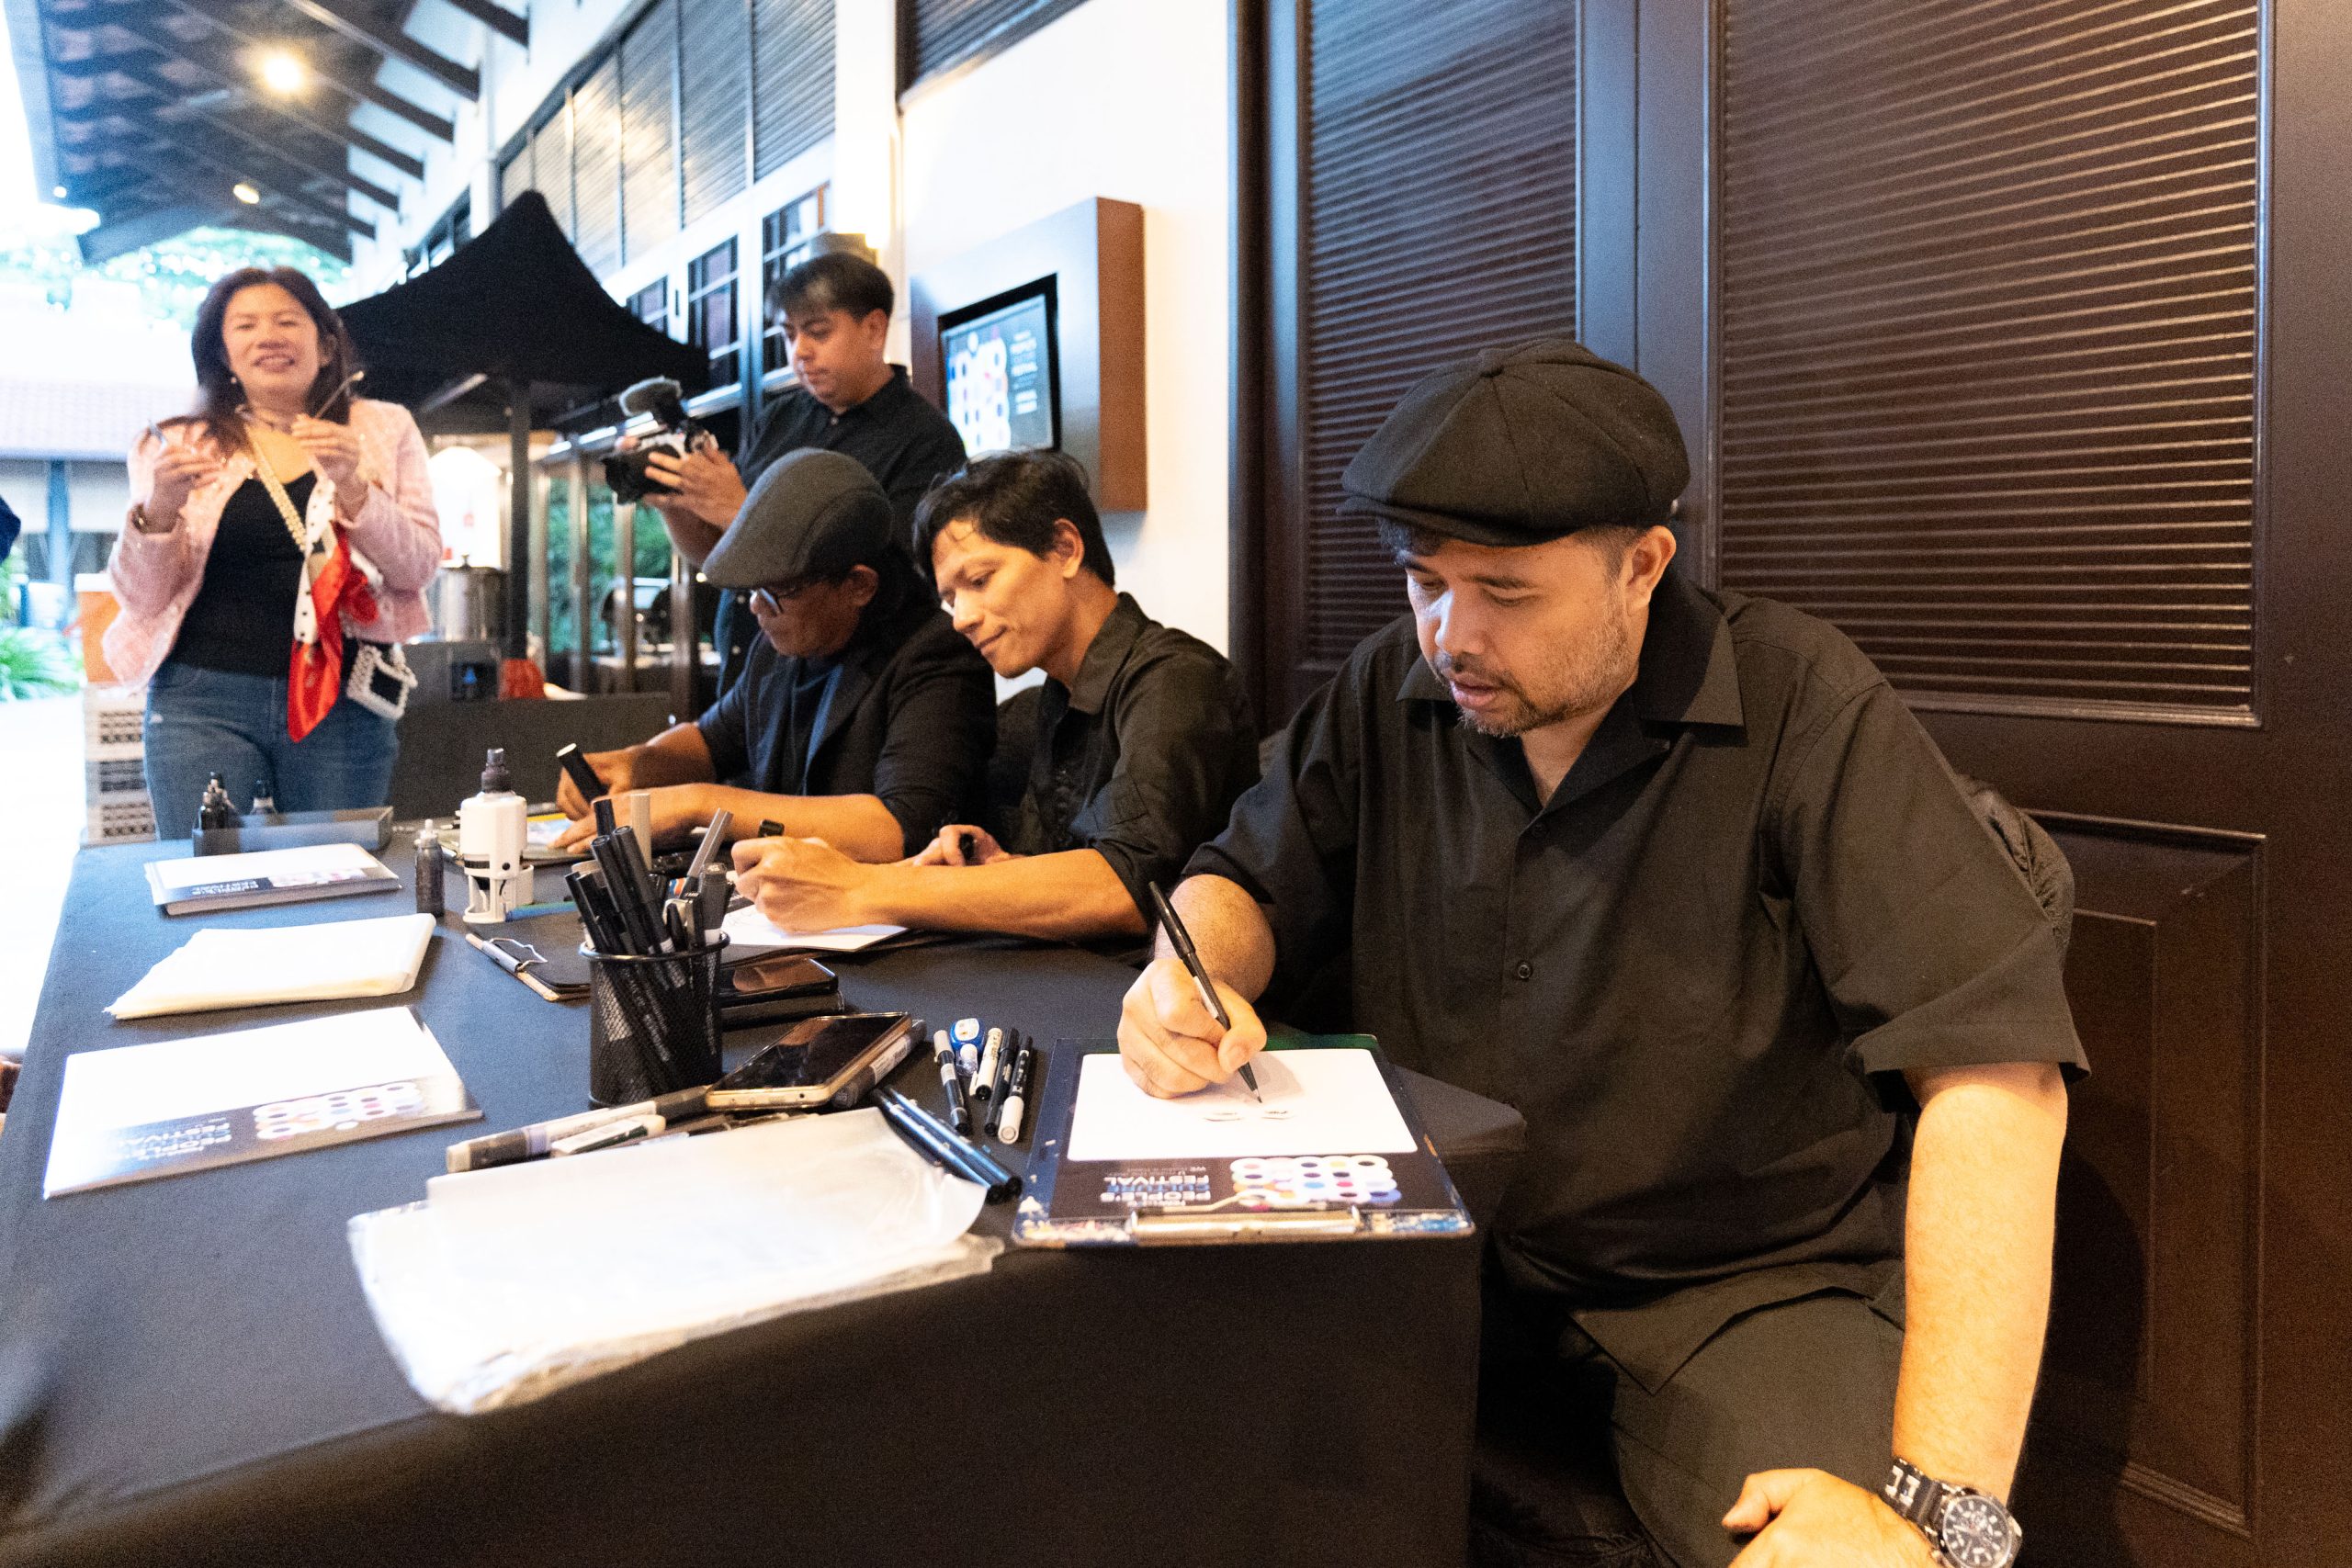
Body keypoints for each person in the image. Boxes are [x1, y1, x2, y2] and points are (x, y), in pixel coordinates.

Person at [1115, 340, 2083, 1568]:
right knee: (1145, 1426)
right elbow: (1246, 873)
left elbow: (1995, 1075)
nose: (1450, 636)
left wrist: (1940, 1512)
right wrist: (1190, 969)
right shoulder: (1391, 685)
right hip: (1442, 1244)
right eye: (1423, 581)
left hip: (1733, 1284)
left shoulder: (1801, 702)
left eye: (1505, 593)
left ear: (1643, 566)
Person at [730, 449, 1259, 945]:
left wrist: (858, 887)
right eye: (950, 598)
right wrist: (1001, 867)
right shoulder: (1053, 698)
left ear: (1065, 548)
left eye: (979, 580)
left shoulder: (1177, 679)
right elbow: (1074, 870)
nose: (961, 618)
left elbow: (1123, 888)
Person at [107, 267, 439, 840]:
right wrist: (158, 510)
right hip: (201, 696)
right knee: (207, 875)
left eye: (288, 321)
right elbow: (143, 598)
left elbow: (417, 568)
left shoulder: (384, 427)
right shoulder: (176, 442)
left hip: (344, 694)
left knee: (338, 874)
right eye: (246, 325)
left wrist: (355, 486)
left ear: (326, 345)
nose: (268, 336)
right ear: (222, 352)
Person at [553, 449, 993, 860]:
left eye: (780, 590)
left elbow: (901, 828)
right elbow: (713, 741)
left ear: (859, 585)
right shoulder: (782, 648)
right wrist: (637, 764)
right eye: (753, 590)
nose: (757, 607)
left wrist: (699, 802)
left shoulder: (935, 655)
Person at [639, 248, 966, 697]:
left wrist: (743, 513)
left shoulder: (926, 438)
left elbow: (894, 580)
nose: (800, 352)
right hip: (750, 667)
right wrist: (676, 504)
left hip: (851, 679)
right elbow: (719, 556)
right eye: (789, 334)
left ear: (874, 329)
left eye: (818, 332)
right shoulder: (777, 419)